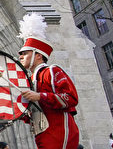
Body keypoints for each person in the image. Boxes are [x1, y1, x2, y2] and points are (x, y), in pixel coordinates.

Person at [17, 13, 79, 149]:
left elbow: (71, 98)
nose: (20, 56)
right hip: (42, 133)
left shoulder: (52, 71)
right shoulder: (30, 80)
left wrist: (39, 96)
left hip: (58, 131)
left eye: (24, 53)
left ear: (38, 55)